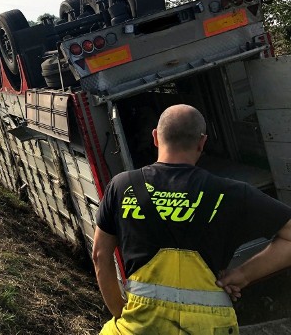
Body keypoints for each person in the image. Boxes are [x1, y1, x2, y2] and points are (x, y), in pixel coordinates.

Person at [93, 104, 291, 334]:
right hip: (209, 327)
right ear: (202, 142)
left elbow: (100, 256)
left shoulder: (122, 186)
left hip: (138, 327)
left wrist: (120, 313)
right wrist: (242, 275)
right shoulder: (233, 193)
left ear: (156, 137)